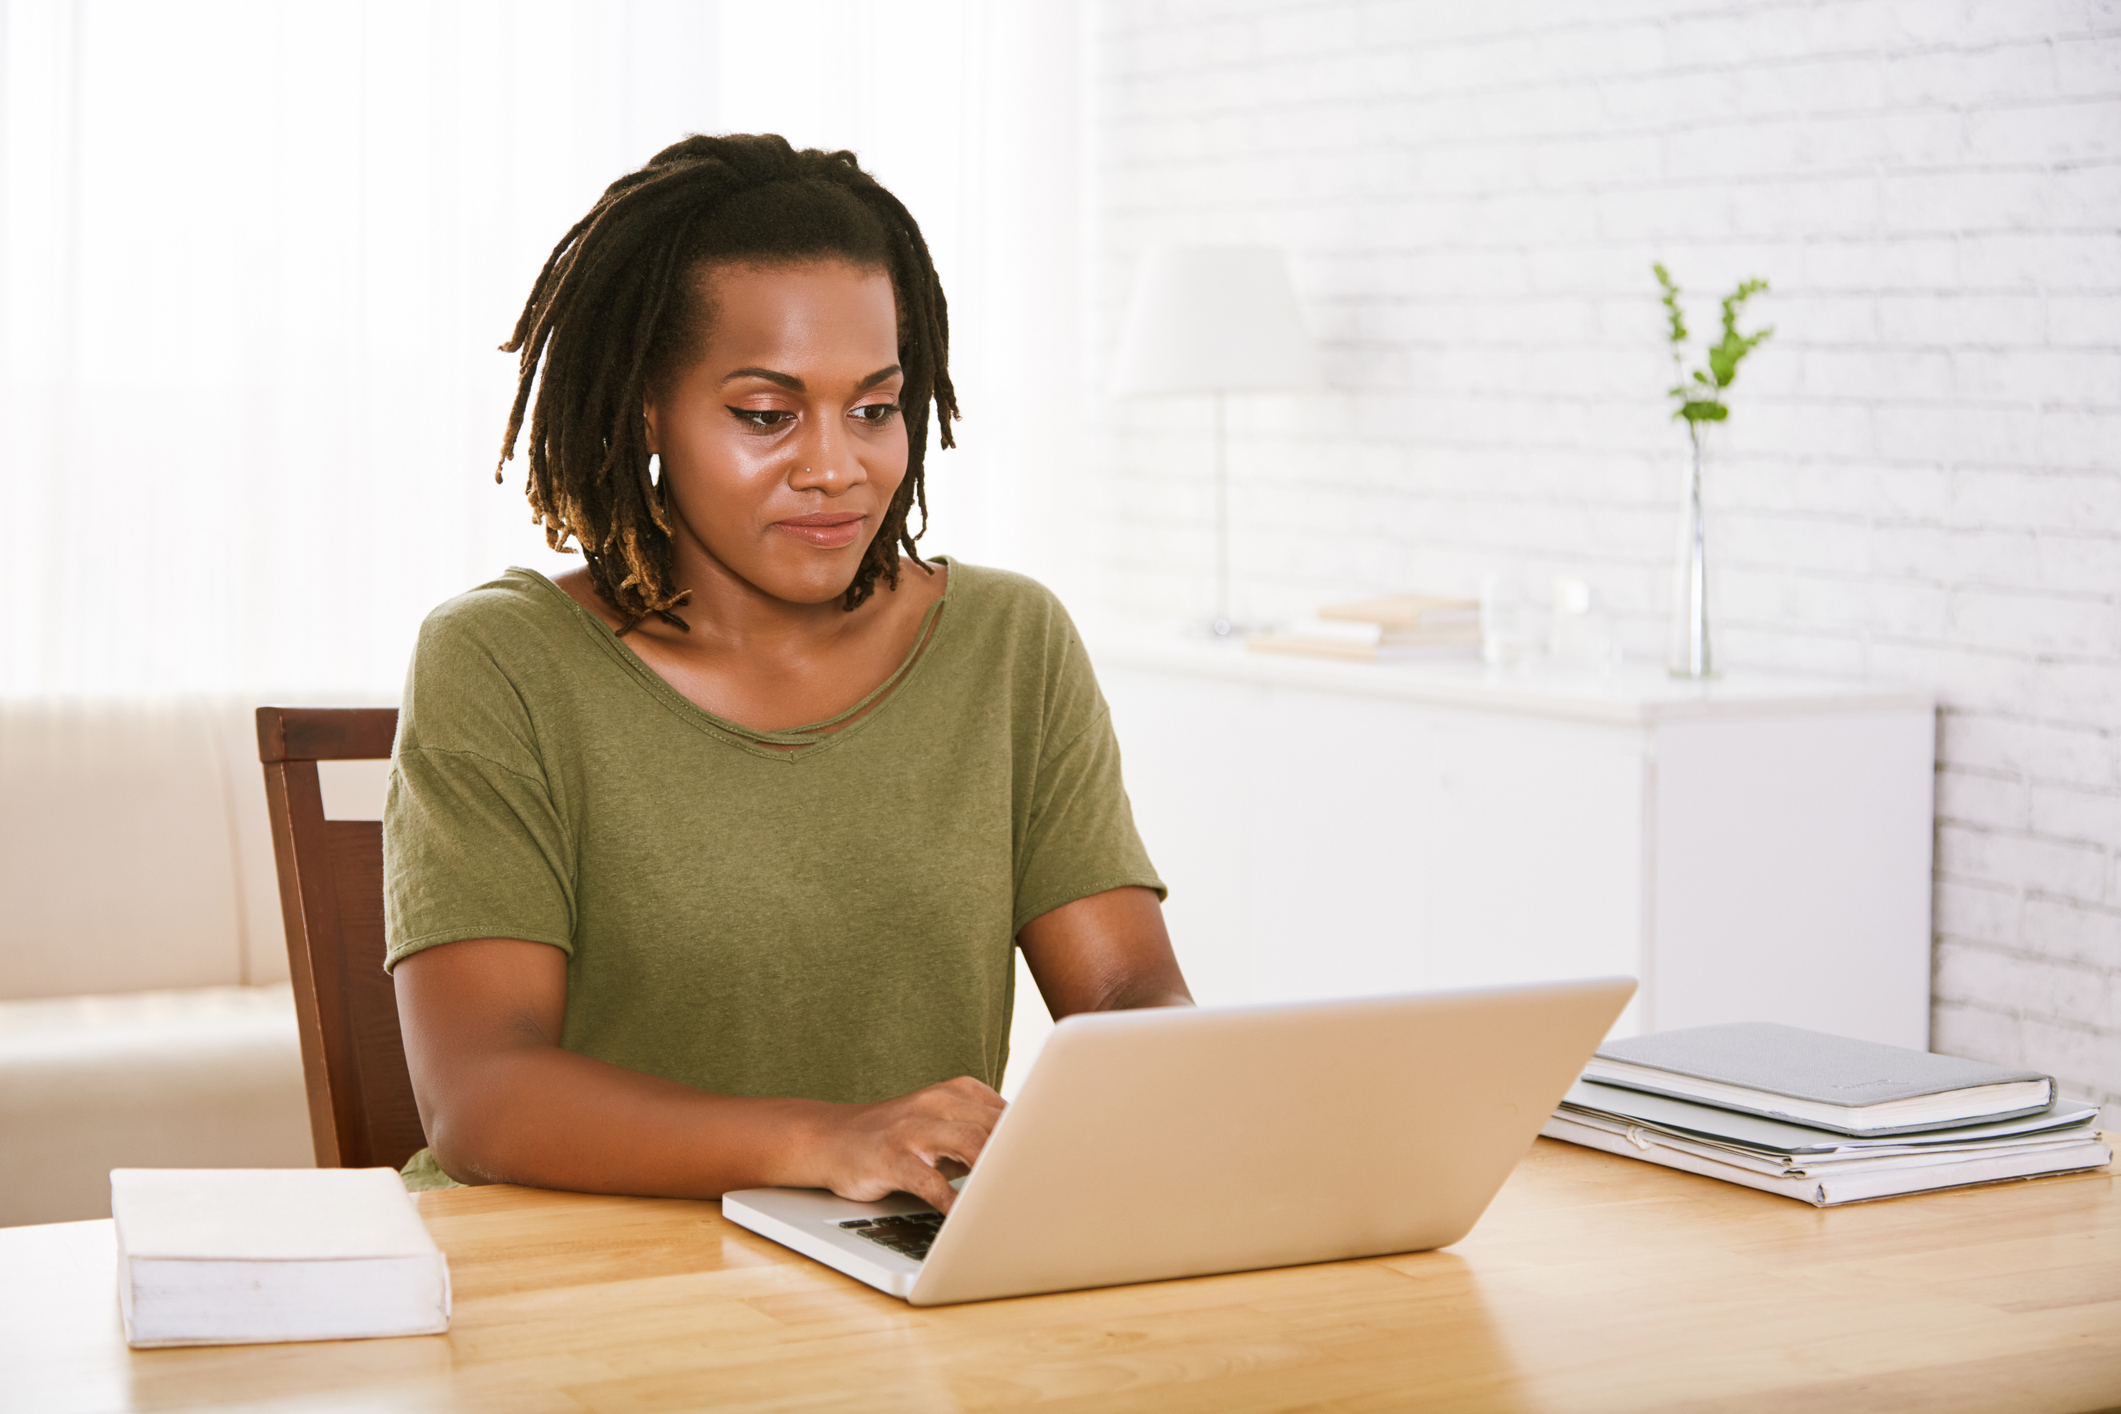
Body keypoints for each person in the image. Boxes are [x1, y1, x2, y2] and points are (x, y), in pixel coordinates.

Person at [384, 134, 1191, 1215]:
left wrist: (1196, 1088)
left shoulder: (1010, 642)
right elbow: (481, 1095)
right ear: (647, 407)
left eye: (874, 408)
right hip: (578, 1288)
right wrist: (828, 1138)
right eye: (767, 414)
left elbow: (1128, 988)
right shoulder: (501, 661)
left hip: (895, 1278)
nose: (835, 467)